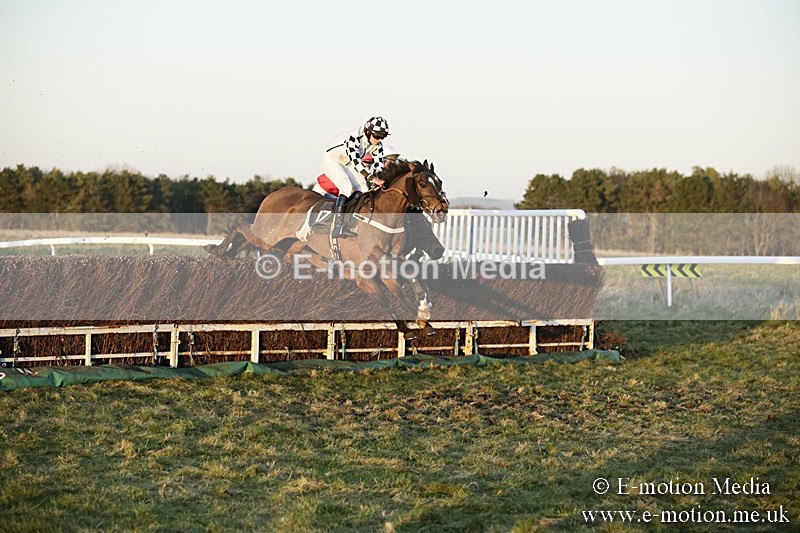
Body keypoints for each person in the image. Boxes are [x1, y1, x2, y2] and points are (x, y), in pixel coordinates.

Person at [320, 116, 390, 238]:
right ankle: (337, 227)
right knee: (346, 186)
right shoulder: (353, 137)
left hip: (347, 163)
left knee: (364, 189)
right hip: (332, 160)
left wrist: (383, 179)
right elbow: (357, 162)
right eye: (377, 136)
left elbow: (379, 165)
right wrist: (373, 178)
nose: (379, 140)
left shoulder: (377, 144)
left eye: (382, 137)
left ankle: (351, 220)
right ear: (368, 132)